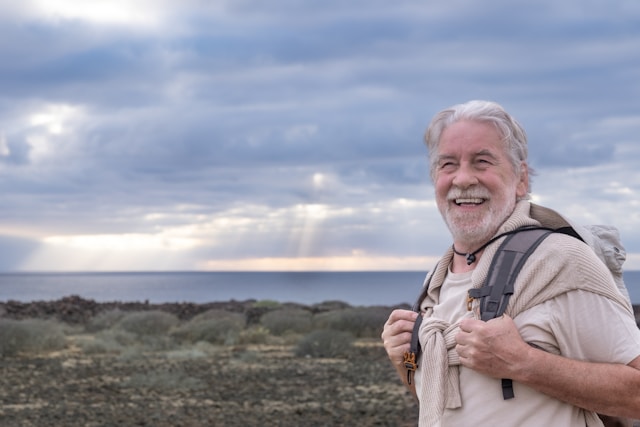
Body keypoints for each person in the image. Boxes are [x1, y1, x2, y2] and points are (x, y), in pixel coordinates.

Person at [381, 100, 640, 426]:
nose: (462, 179)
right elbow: (441, 400)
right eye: (448, 164)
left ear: (521, 179)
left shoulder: (559, 260)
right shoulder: (437, 278)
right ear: (435, 178)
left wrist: (524, 363)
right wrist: (404, 359)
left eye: (482, 162)